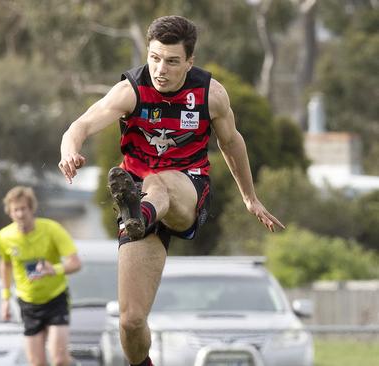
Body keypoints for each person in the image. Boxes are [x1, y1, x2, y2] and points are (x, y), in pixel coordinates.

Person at [58, 15, 284, 366]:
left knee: (159, 181)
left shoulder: (211, 94)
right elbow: (82, 123)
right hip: (138, 193)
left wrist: (249, 197)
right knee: (131, 323)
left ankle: (139, 212)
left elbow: (232, 144)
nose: (161, 69)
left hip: (186, 188)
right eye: (154, 58)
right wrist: (69, 149)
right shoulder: (130, 90)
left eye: (172, 61)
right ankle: (139, 213)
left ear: (190, 61)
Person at [0, 186, 82, 366]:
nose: (20, 214)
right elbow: (5, 264)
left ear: (31, 209)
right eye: (15, 210)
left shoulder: (52, 229)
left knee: (59, 359)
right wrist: (5, 298)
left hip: (55, 299)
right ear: (9, 213)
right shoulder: (5, 236)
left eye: (23, 209)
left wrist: (55, 269)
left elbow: (75, 263)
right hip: (28, 303)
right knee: (37, 363)